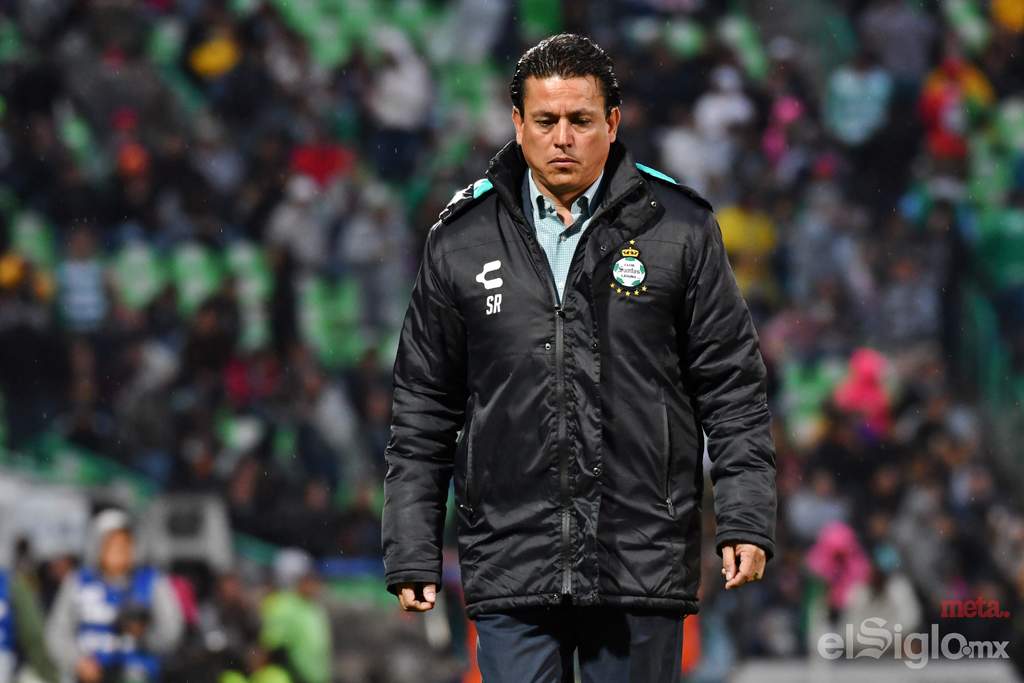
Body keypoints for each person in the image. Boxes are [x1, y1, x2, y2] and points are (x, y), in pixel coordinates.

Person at [382, 33, 777, 682]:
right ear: (518, 124)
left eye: (580, 120)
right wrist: (411, 545)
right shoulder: (460, 239)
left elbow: (732, 386)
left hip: (640, 558)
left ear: (612, 123)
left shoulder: (679, 227)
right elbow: (423, 406)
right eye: (545, 121)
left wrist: (745, 518)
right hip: (510, 559)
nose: (562, 137)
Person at [45, 510, 184, 683]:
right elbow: (57, 632)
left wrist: (144, 636)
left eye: (125, 543)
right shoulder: (77, 582)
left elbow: (171, 631)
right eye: (111, 544)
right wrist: (78, 662)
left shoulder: (152, 581)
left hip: (137, 673)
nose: (119, 550)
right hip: (86, 674)